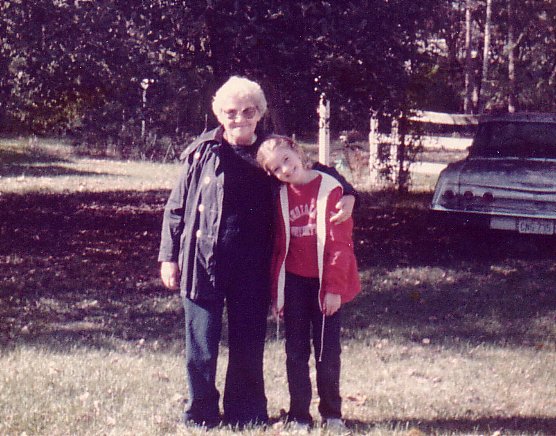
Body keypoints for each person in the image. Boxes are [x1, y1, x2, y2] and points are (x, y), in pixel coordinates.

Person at [158, 76, 357, 428]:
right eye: (231, 112)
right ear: (219, 114)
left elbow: (314, 172)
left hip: (253, 264)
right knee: (201, 343)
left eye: (248, 111)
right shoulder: (202, 152)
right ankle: (200, 413)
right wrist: (168, 257)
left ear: (259, 113)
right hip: (202, 260)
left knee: (248, 343)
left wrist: (350, 193)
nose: (239, 119)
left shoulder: (270, 152)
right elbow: (176, 208)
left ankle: (245, 413)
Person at [256, 135, 361, 432]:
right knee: (295, 353)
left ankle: (332, 414)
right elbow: (279, 248)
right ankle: (299, 415)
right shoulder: (280, 197)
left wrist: (334, 289)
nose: (285, 169)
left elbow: (340, 245)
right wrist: (278, 293)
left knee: (327, 353)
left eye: (286, 160)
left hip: (325, 284)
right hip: (294, 286)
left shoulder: (331, 189)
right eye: (276, 168)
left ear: (297, 152)